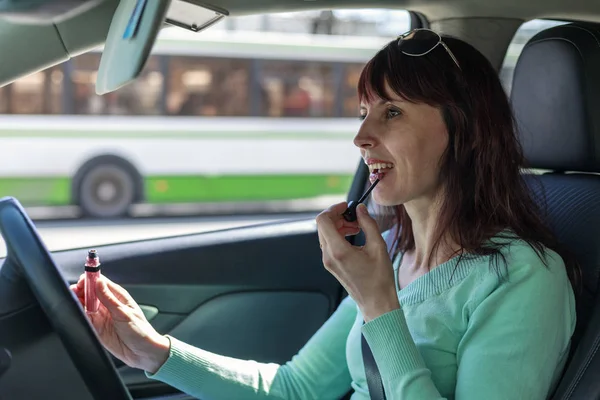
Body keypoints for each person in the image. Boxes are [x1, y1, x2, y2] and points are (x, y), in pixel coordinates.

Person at [70, 28, 580, 399]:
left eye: (392, 112)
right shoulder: (396, 255)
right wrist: (154, 352)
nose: (361, 137)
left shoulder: (522, 278)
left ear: (463, 130)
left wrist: (379, 303)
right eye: (364, 114)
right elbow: (296, 389)